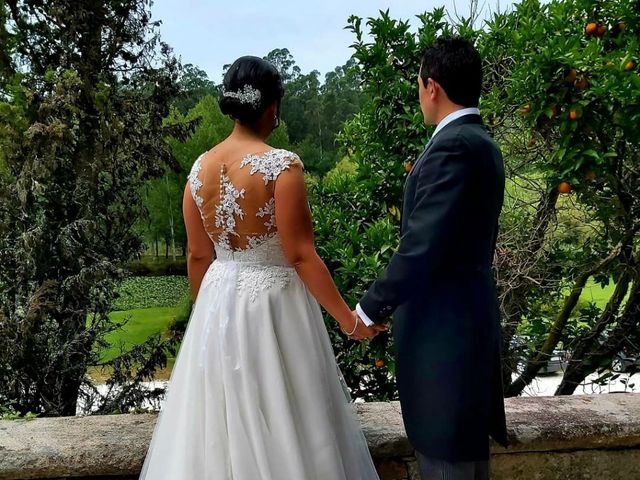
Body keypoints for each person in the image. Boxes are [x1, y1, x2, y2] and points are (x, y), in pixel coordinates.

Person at [139, 56, 383, 480]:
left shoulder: (198, 171)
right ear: (272, 106)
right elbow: (302, 254)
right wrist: (349, 321)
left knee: (218, 423)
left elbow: (198, 255)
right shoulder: (282, 167)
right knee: (291, 412)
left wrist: (206, 320)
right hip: (275, 307)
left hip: (218, 300)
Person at [355, 37, 509, 480]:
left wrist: (370, 307)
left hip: (446, 340)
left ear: (432, 86)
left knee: (448, 462)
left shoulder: (454, 147)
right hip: (465, 329)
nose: (418, 95)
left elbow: (422, 246)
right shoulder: (481, 142)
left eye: (418, 84)